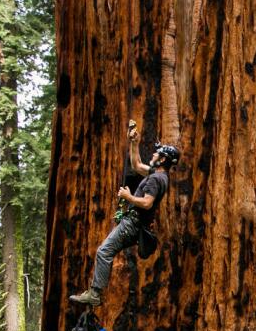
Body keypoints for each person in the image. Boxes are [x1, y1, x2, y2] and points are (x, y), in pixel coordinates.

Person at [69, 121, 179, 306]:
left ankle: (94, 294)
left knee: (104, 251)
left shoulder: (155, 179)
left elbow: (147, 202)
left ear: (162, 160)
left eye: (157, 154)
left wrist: (128, 196)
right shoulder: (159, 175)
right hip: (134, 224)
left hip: (132, 224)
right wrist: (134, 143)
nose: (153, 154)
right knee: (106, 251)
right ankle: (94, 292)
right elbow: (136, 165)